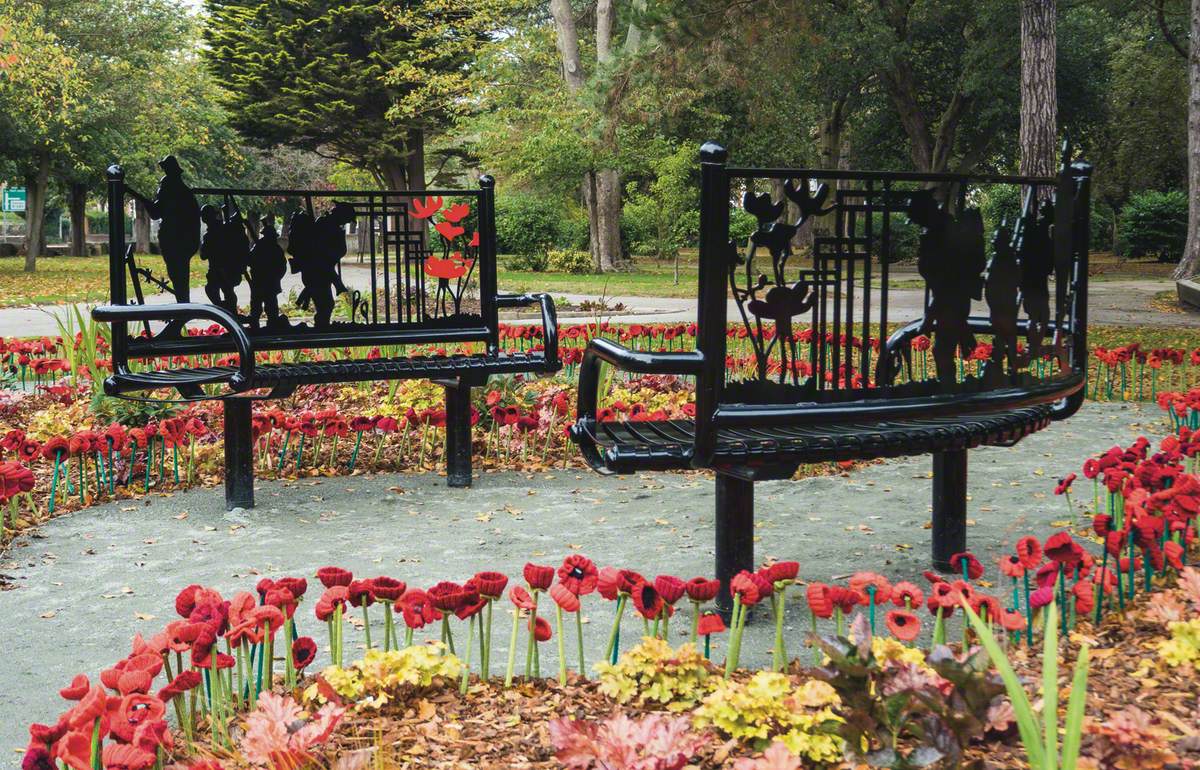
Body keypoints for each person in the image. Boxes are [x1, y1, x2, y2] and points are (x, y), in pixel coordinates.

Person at [908, 190, 986, 386]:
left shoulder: (942, 234)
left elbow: (946, 282)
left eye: (918, 219)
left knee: (943, 350)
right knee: (944, 348)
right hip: (947, 299)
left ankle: (949, 389)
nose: (918, 225)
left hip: (951, 300)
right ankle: (949, 387)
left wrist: (929, 317)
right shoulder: (938, 230)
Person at [127, 155, 200, 336]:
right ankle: (181, 315)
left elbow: (155, 212)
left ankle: (181, 315)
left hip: (176, 242)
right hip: (178, 242)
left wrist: (134, 193)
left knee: (179, 278)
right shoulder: (177, 189)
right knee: (178, 278)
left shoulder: (171, 188)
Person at [288, 202, 356, 328]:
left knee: (326, 304)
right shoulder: (326, 225)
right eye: (346, 219)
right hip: (317, 271)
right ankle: (321, 329)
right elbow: (320, 253)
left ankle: (322, 327)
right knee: (326, 304)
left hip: (322, 271)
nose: (346, 222)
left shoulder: (329, 225)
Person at [248, 215, 286, 329]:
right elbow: (250, 261)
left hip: (267, 283)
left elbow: (282, 267)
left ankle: (271, 325)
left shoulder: (272, 249)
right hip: (262, 282)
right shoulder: (261, 247)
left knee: (270, 307)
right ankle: (255, 325)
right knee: (258, 307)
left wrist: (275, 276)